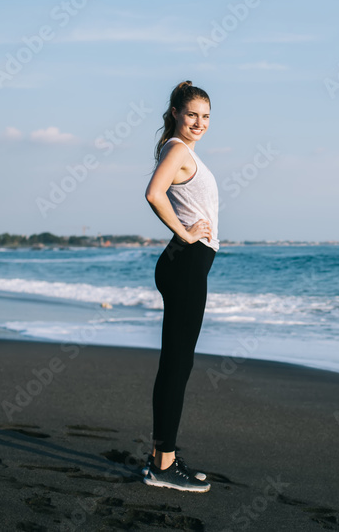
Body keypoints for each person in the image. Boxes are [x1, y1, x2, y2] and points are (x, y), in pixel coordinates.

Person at [142, 80, 219, 493]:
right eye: (192, 115)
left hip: (186, 266)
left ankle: (162, 457)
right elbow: (154, 194)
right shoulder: (177, 149)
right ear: (175, 113)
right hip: (186, 264)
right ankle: (164, 466)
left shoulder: (183, 152)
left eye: (206, 117)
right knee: (177, 365)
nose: (199, 123)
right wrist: (187, 235)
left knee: (176, 363)